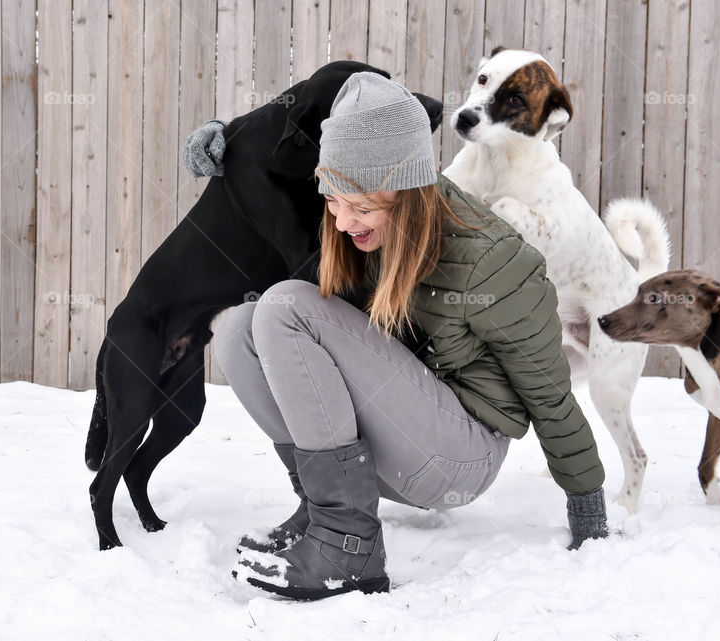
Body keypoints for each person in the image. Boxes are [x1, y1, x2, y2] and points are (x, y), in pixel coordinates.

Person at [199, 72, 608, 601]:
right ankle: (327, 512)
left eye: (362, 207)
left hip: (458, 458)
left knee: (283, 307)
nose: (343, 222)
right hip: (393, 443)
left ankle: (349, 545)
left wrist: (589, 511)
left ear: (409, 192)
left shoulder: (492, 260)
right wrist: (224, 142)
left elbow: (550, 395)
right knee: (238, 328)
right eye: (333, 201)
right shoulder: (357, 231)